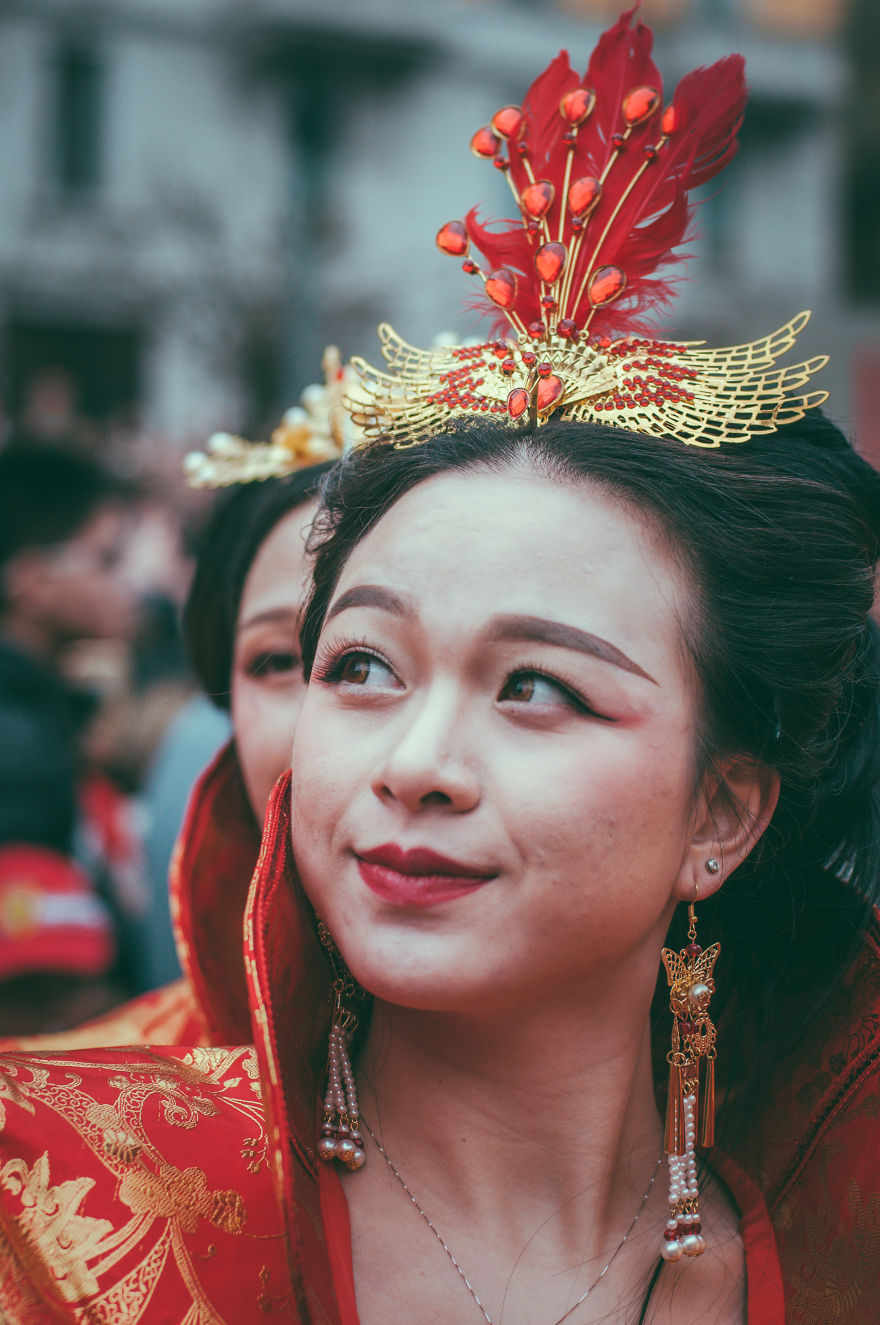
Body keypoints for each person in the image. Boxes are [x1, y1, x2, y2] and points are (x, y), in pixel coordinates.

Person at [1, 13, 877, 1321]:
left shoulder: (839, 1234)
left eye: (537, 687)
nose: (413, 765)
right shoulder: (55, 1201)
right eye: (358, 667)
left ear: (724, 813)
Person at [0, 442, 139, 1031]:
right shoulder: (16, 743)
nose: (127, 585)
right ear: (31, 582)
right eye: (105, 560)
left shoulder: (44, 713)